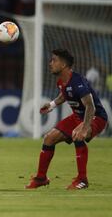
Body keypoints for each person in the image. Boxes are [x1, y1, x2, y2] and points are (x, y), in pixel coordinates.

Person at [25, 49, 108, 190]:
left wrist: (85, 127)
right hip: (77, 116)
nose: (50, 63)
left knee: (77, 134)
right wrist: (51, 105)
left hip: (95, 117)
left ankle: (82, 180)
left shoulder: (78, 82)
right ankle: (41, 178)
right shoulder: (61, 81)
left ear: (63, 65)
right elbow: (65, 94)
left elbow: (90, 106)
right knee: (49, 138)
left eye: (54, 60)